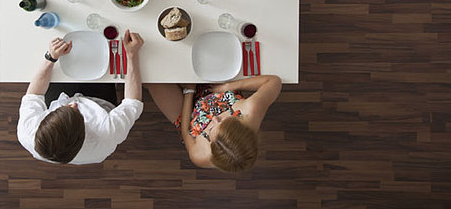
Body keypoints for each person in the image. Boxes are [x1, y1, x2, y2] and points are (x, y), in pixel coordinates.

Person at [17, 30, 145, 165]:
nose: (74, 104)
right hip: (100, 101)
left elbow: (34, 94)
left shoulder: (28, 132)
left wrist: (51, 57)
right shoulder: (107, 133)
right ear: (84, 131)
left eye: (65, 108)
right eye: (77, 112)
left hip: (60, 97)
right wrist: (132, 54)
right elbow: (133, 102)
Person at [146, 75, 282, 172]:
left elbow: (186, 132)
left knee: (150, 77)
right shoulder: (251, 110)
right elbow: (274, 81)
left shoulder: (200, 156)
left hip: (190, 115)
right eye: (223, 120)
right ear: (239, 122)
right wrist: (230, 86)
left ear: (210, 145)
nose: (214, 119)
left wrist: (189, 91)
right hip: (220, 84)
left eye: (209, 131)